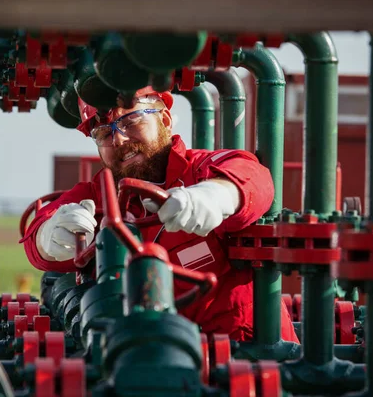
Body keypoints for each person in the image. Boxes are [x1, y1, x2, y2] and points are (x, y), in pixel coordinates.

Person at [21, 86, 298, 343]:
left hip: (245, 364)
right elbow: (39, 233)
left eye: (130, 122)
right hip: (144, 360)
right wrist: (49, 236)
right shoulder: (97, 196)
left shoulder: (200, 171)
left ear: (164, 120)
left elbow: (252, 177)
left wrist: (216, 195)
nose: (119, 139)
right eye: (104, 133)